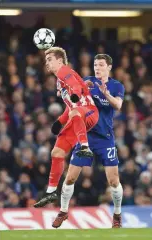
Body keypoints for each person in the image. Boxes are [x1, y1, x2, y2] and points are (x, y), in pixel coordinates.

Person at [52, 54, 125, 228]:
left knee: (114, 181)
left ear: (109, 67)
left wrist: (106, 95)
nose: (97, 68)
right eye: (95, 65)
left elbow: (118, 105)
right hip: (85, 136)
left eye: (100, 65)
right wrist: (63, 90)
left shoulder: (116, 86)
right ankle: (63, 212)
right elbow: (72, 94)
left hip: (105, 139)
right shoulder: (87, 82)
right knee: (69, 178)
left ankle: (117, 215)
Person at [34, 47, 99, 208]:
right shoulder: (59, 80)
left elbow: (75, 87)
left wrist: (77, 93)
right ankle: (51, 192)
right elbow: (70, 105)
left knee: (75, 113)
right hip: (77, 116)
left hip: (89, 113)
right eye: (46, 60)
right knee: (56, 152)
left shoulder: (64, 71)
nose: (46, 63)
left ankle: (85, 146)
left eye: (49, 59)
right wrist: (60, 121)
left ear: (60, 61)